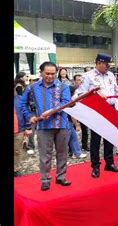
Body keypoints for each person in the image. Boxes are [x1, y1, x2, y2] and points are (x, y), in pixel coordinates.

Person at [76, 53, 118, 178]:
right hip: (97, 110)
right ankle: (95, 166)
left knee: (110, 137)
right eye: (106, 64)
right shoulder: (88, 76)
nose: (108, 67)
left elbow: (116, 90)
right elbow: (80, 93)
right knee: (96, 139)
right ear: (99, 63)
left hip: (110, 109)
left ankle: (109, 163)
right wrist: (95, 96)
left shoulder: (111, 75)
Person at [21, 62, 72, 191]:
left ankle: (61, 176)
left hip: (62, 125)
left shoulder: (63, 86)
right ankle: (45, 179)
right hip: (43, 126)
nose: (50, 76)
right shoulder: (32, 88)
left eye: (53, 74)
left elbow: (66, 102)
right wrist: (30, 116)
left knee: (62, 153)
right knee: (45, 155)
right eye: (47, 73)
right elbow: (23, 104)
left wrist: (52, 111)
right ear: (41, 72)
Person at [14, 87, 32, 177]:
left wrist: (28, 127)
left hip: (18, 130)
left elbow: (26, 114)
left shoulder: (20, 99)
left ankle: (16, 168)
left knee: (17, 151)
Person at [67, 85, 87, 159]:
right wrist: (77, 125)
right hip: (67, 122)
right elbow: (73, 115)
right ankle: (63, 158)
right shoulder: (70, 101)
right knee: (65, 141)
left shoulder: (68, 99)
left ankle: (76, 153)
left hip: (69, 122)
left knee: (73, 138)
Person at [25, 75, 40, 155]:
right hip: (32, 111)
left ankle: (41, 146)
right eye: (34, 80)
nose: (35, 81)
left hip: (41, 111)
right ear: (30, 80)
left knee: (42, 130)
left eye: (37, 79)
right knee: (32, 129)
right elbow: (25, 102)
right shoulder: (27, 89)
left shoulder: (41, 88)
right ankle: (30, 146)